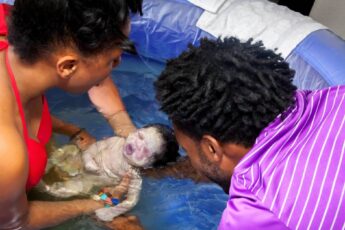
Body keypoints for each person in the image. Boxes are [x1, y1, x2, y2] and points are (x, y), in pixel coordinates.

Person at [154, 37, 345, 229]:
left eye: (188, 151)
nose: (189, 159)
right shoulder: (337, 96)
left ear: (212, 149)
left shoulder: (254, 214)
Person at [0, 0, 143, 229]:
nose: (117, 65)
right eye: (112, 60)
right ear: (67, 67)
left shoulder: (15, 28)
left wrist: (125, 133)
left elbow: (92, 68)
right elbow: (16, 223)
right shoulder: (7, 153)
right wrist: (98, 205)